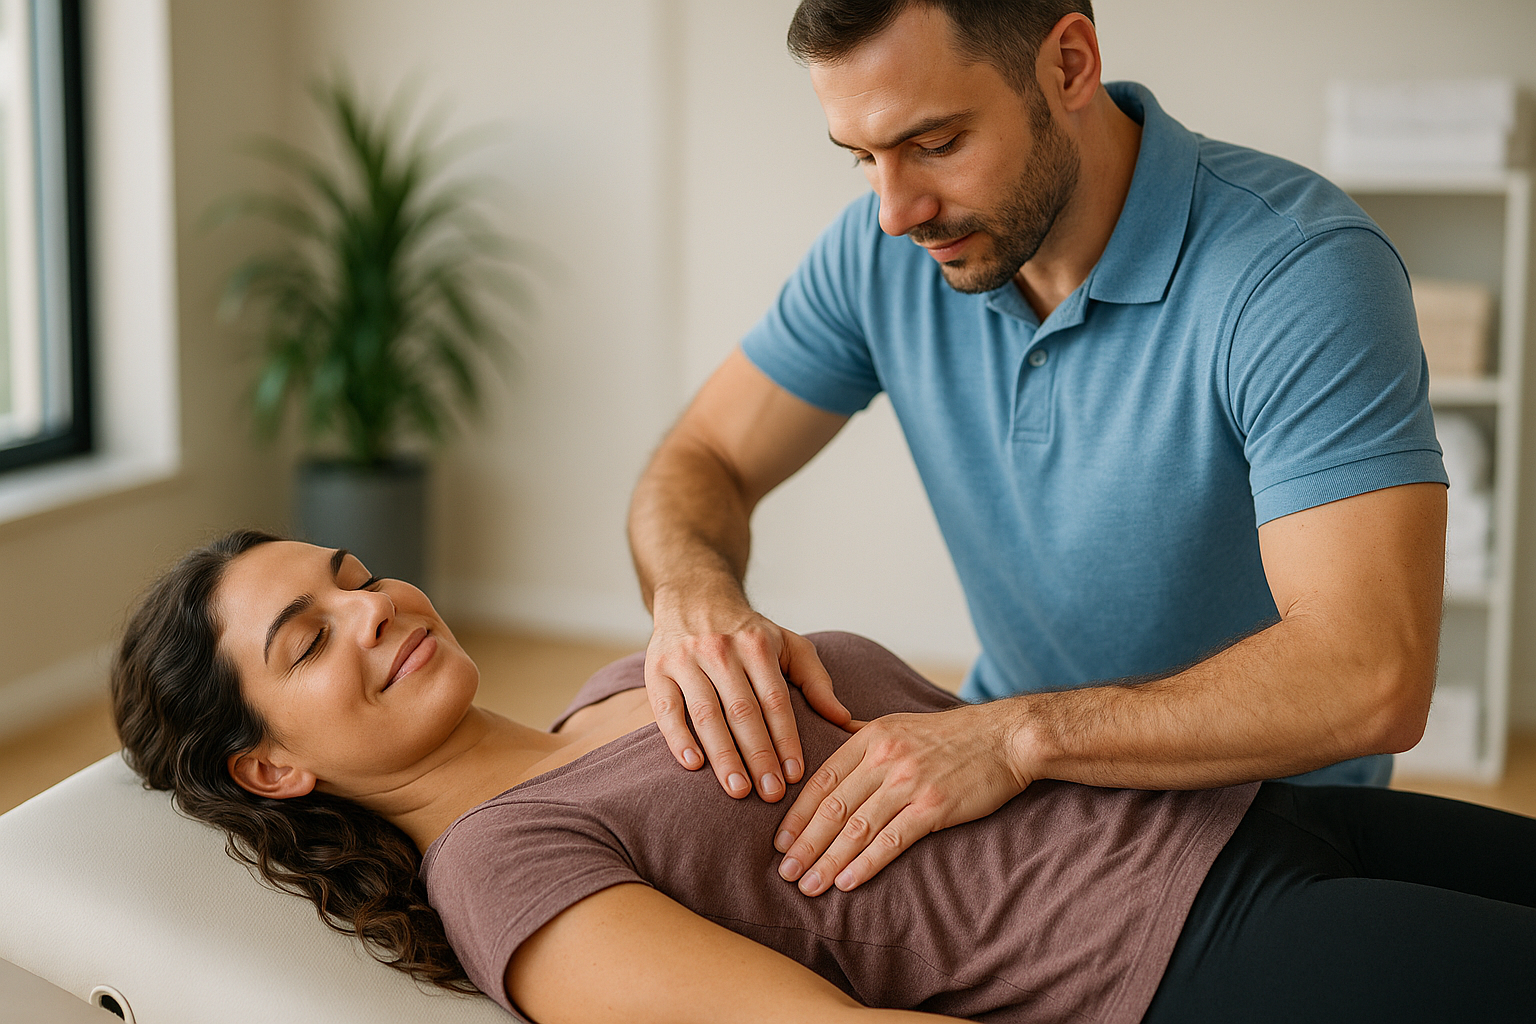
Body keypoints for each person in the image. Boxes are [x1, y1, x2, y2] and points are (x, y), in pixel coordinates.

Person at [626, 0, 1450, 897]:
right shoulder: (880, 256)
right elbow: (706, 455)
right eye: (864, 159)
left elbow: (1370, 673)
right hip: (1016, 793)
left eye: (936, 143)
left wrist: (1017, 736)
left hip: (1265, 817)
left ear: (1068, 64)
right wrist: (694, 591)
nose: (897, 212)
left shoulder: (1297, 270)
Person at [112, 533, 1533, 1024]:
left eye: (358, 578)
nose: (375, 609)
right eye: (310, 638)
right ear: (273, 763)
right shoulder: (503, 870)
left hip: (1248, 815)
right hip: (1177, 962)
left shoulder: (635, 680)